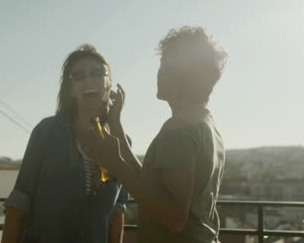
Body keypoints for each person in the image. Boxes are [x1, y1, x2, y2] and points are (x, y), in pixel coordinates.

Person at [80, 26, 228, 243]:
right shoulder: (203, 123)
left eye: (164, 66)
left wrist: (114, 164)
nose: (158, 73)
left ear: (181, 76)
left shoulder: (179, 130)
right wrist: (115, 124)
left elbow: (174, 218)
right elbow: (153, 186)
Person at [1, 44, 128, 243]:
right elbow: (18, 204)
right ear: (70, 89)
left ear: (109, 83)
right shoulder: (47, 132)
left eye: (97, 73)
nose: (88, 80)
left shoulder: (121, 142)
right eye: (78, 76)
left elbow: (117, 214)